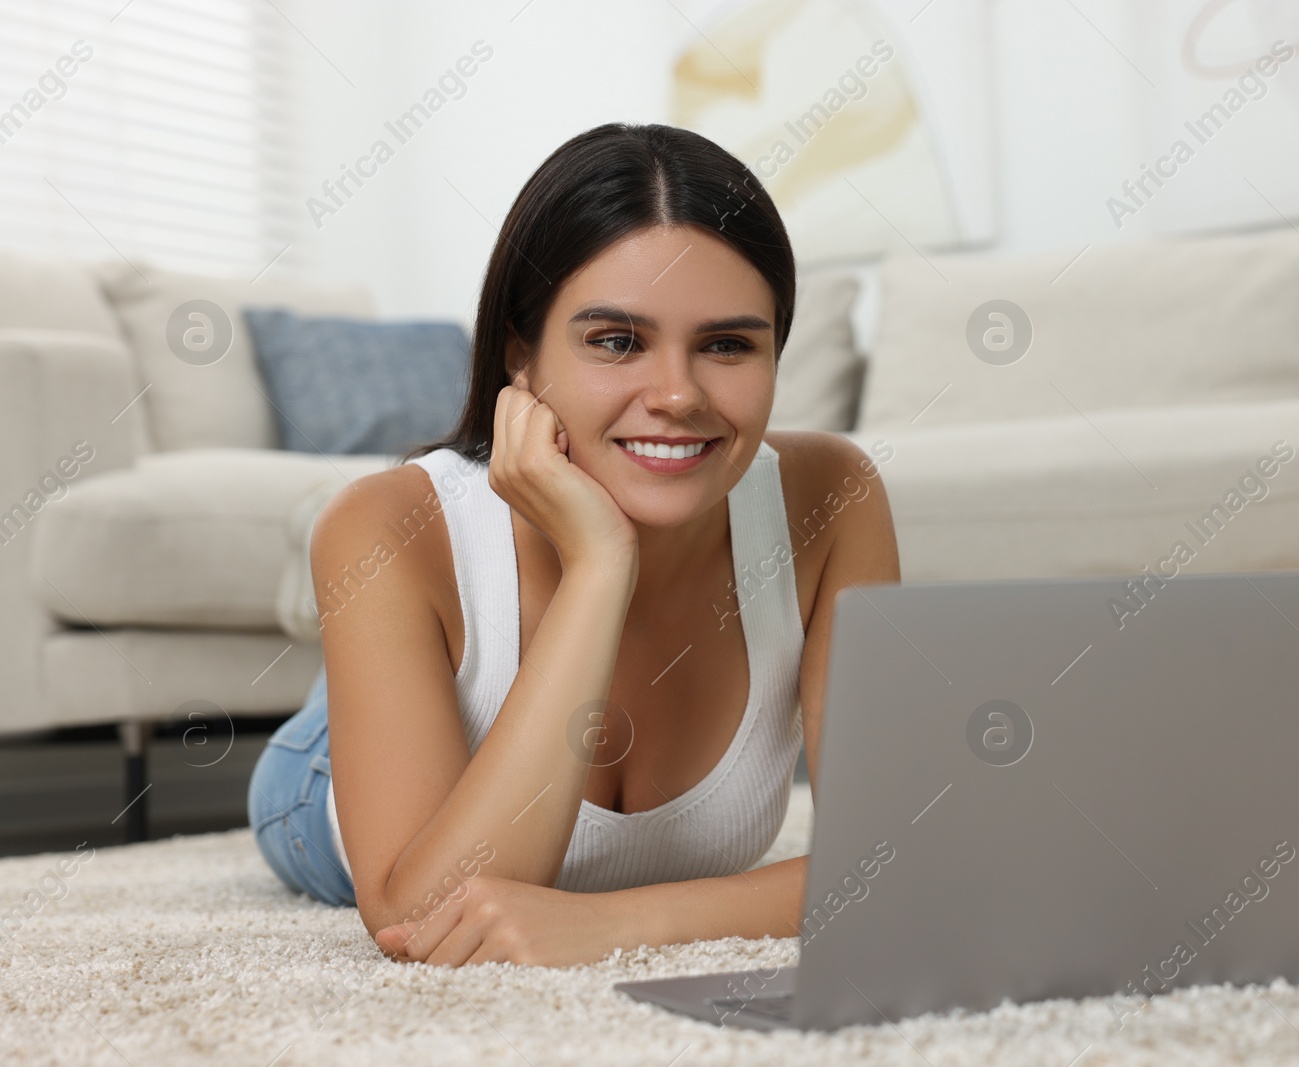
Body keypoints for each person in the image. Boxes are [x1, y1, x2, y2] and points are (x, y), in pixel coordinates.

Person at [246, 122, 900, 968]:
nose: (676, 394)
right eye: (617, 341)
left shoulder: (832, 499)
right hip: (314, 769)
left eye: (728, 344)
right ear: (523, 357)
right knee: (345, 756)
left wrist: (619, 924)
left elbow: (895, 861)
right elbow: (425, 916)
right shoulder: (379, 523)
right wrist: (599, 567)